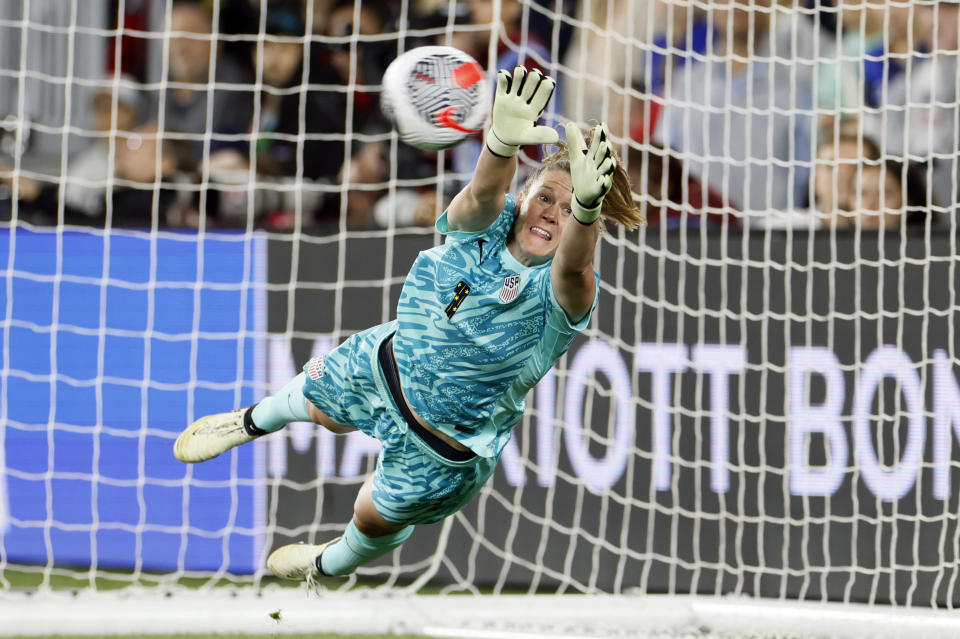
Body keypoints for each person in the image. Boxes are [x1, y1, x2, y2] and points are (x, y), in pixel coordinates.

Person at [172, 65, 644, 582]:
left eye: (569, 208)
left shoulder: (563, 294)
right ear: (523, 198)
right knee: (320, 408)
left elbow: (573, 262)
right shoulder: (487, 224)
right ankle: (246, 422)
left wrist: (585, 208)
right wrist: (501, 144)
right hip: (385, 363)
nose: (552, 213)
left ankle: (326, 564)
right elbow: (483, 194)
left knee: (370, 514)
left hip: (443, 446)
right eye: (545, 197)